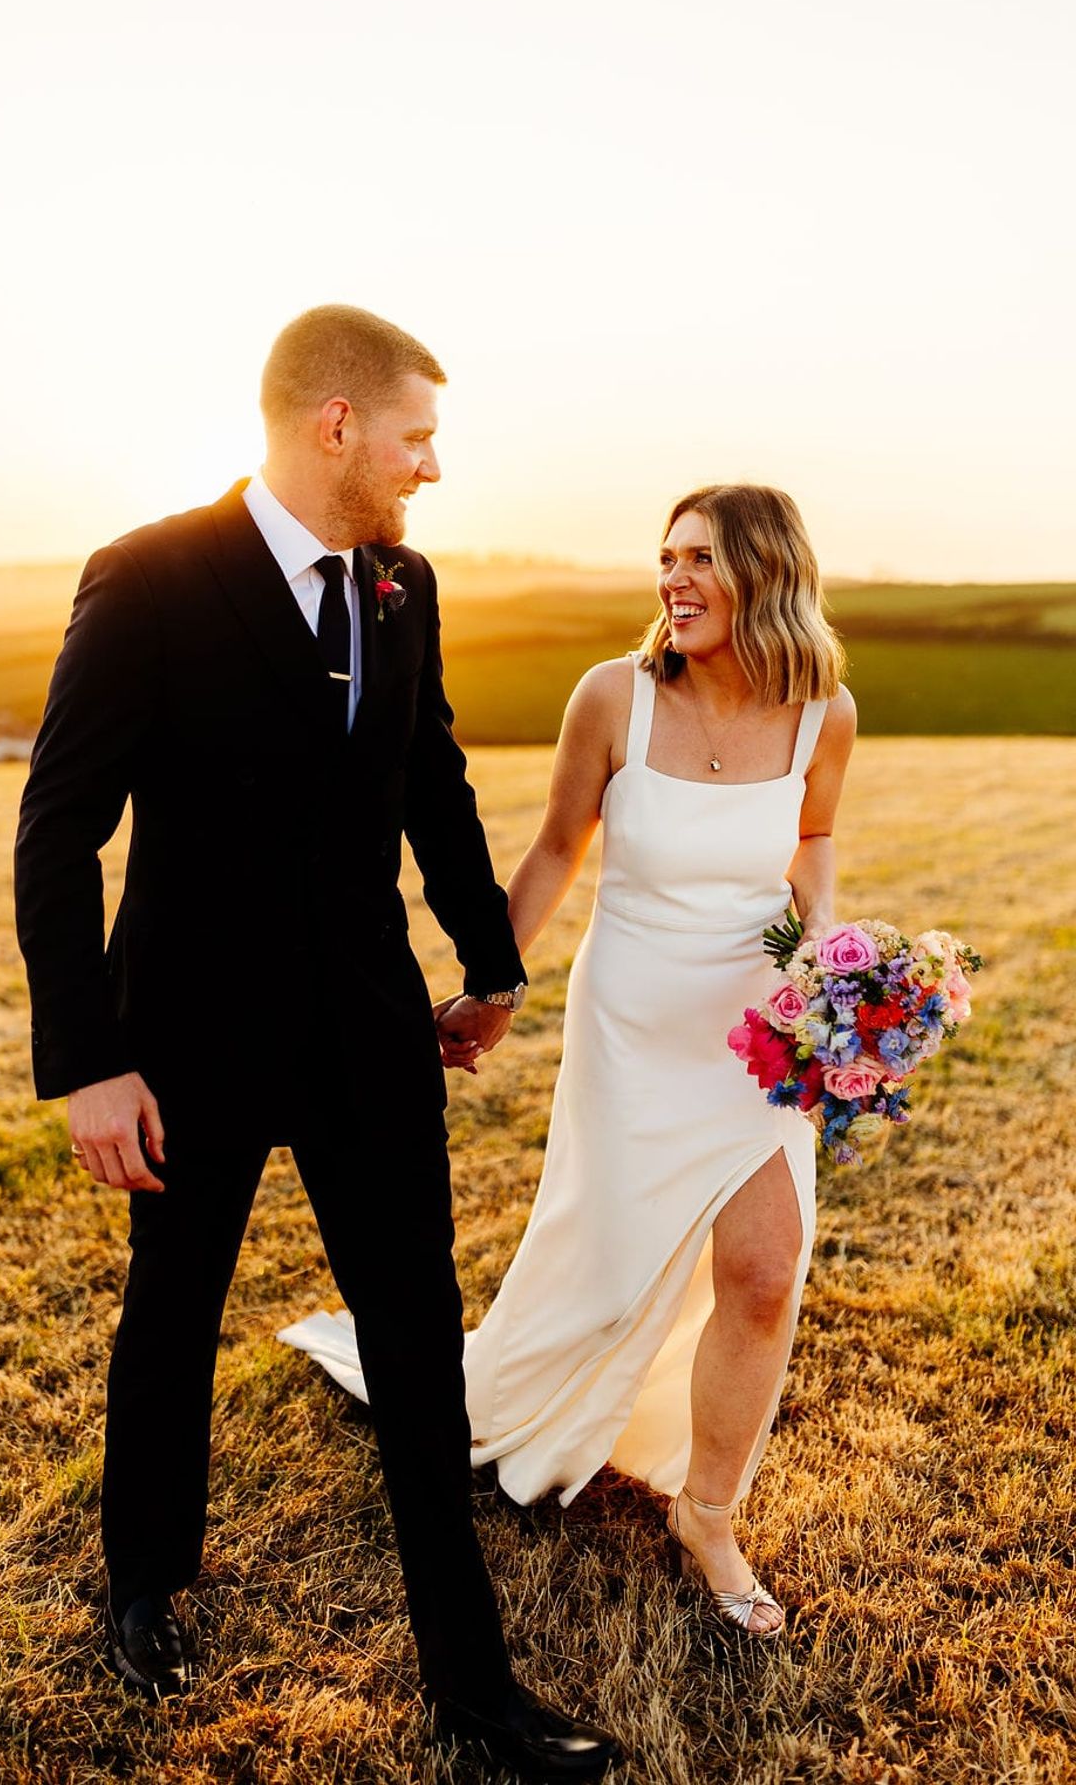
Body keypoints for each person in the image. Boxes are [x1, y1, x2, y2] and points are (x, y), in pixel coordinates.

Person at [14, 304, 619, 1780]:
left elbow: (434, 785)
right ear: (334, 422)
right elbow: (58, 834)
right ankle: (146, 1583)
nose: (431, 467)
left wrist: (489, 961)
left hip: (367, 1035)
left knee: (420, 1350)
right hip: (183, 1042)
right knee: (175, 1314)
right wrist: (89, 1061)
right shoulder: (149, 577)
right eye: (417, 435)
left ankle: (476, 1694)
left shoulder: (405, 584)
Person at [282, 482, 856, 1636]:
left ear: (767, 573)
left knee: (764, 1267)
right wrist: (496, 984)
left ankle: (709, 1514)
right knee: (602, 1268)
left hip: (756, 1031)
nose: (673, 581)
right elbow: (553, 851)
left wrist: (824, 970)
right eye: (666, 558)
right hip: (632, 1024)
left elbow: (815, 839)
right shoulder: (615, 698)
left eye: (701, 559)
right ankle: (495, 1395)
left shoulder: (822, 711)